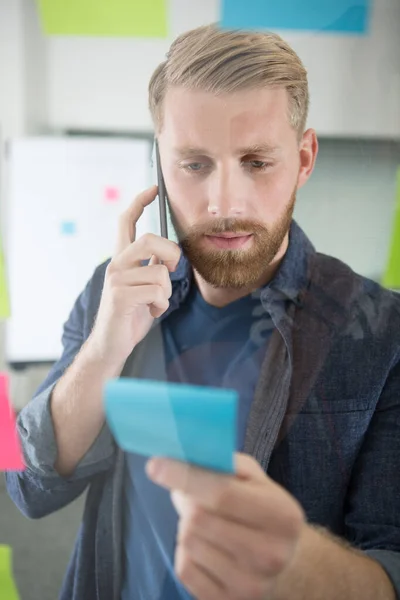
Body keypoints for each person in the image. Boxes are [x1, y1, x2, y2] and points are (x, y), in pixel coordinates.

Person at [6, 23, 400, 600]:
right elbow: (32, 488)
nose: (224, 203)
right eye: (194, 165)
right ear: (160, 167)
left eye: (257, 162)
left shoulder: (382, 334)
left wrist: (297, 560)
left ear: (305, 158)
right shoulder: (110, 291)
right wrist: (108, 344)